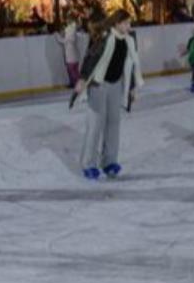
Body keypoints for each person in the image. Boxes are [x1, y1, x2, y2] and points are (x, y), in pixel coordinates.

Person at [75, 10, 144, 180]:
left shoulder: (129, 39)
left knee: (114, 124)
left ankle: (109, 161)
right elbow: (90, 58)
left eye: (130, 23)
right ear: (117, 23)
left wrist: (132, 89)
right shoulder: (104, 38)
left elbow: (131, 64)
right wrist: (83, 78)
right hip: (98, 84)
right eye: (126, 23)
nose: (129, 26)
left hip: (116, 85)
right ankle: (88, 164)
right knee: (95, 125)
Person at [55, 19, 81, 88]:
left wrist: (57, 35)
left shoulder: (69, 32)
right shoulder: (72, 32)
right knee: (74, 71)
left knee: (72, 71)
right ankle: (73, 83)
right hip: (74, 56)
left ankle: (76, 83)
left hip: (71, 57)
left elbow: (62, 41)